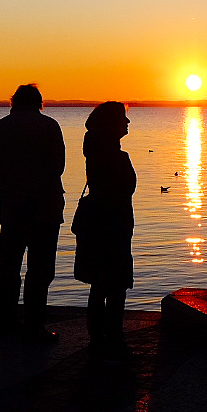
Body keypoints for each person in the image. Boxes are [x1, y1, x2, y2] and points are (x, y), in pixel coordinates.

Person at [0, 84, 65, 341]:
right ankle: (34, 326)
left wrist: (7, 194)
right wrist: (34, 191)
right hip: (45, 210)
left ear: (14, 102)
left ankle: (6, 324)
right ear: (40, 103)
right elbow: (57, 167)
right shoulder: (50, 127)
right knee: (40, 270)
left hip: (13, 211)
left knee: (8, 269)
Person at [73, 101, 137, 361]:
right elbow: (122, 189)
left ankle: (99, 335)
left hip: (103, 223)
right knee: (114, 282)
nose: (128, 122)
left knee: (100, 283)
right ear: (112, 124)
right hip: (111, 225)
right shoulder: (112, 155)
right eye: (123, 118)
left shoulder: (97, 150)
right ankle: (111, 336)